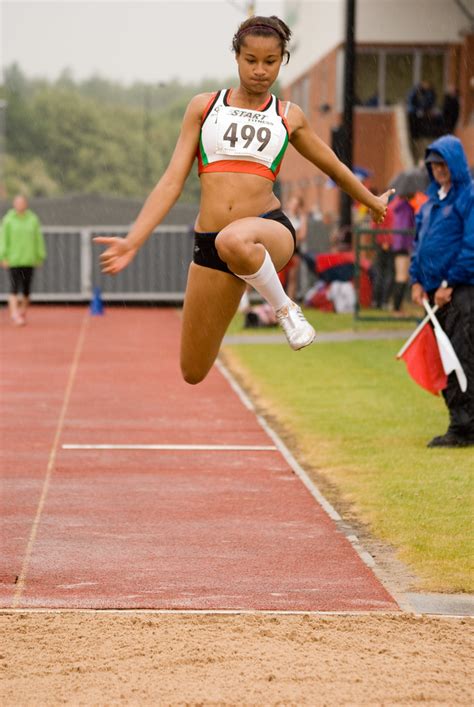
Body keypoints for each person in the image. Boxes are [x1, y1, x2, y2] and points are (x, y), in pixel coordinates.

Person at [95, 15, 392, 385]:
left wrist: (373, 201)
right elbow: (172, 181)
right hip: (210, 245)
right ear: (236, 57)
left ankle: (285, 309)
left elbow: (333, 166)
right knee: (192, 371)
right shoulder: (204, 108)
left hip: (268, 231)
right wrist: (133, 240)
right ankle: (269, 299)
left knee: (233, 238)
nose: (259, 70)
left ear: (282, 60)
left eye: (270, 62)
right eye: (251, 60)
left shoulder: (288, 116)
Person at [410, 135, 474, 447]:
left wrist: (449, 283)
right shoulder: (431, 201)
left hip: (460, 293)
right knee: (444, 360)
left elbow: (470, 245)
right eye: (434, 165)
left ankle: (464, 427)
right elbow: (418, 243)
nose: (438, 170)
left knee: (462, 357)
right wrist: (416, 281)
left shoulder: (468, 197)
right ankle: (459, 422)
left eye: (443, 164)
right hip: (434, 294)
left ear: (455, 164)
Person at [0, 194, 46, 326]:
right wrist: (2, 256)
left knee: (26, 289)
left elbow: (38, 238)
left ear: (26, 204)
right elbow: (3, 239)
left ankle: (22, 312)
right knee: (14, 288)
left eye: (22, 203)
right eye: (17, 203)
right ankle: (14, 314)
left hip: (29, 259)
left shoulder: (33, 219)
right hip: (14, 260)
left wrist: (40, 255)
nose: (20, 205)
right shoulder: (8, 220)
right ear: (14, 204)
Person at [277, 194, 308, 301]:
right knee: (279, 277)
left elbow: (302, 235)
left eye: (297, 204)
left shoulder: (301, 218)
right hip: (283, 249)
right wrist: (295, 234)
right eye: (293, 203)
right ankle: (278, 301)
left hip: (295, 250)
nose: (294, 206)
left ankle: (290, 300)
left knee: (292, 277)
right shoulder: (283, 216)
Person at [390, 195, 415, 315]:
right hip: (403, 246)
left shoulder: (398, 207)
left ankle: (397, 307)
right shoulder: (405, 208)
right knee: (401, 276)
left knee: (401, 276)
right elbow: (405, 228)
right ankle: (397, 308)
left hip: (398, 245)